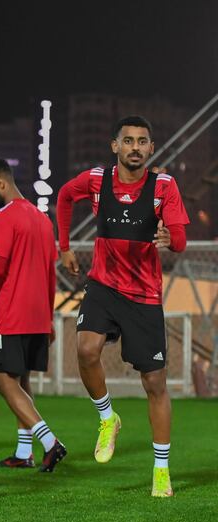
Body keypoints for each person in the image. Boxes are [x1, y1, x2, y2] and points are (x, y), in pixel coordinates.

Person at [57, 115, 189, 498]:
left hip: (144, 295)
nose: (135, 147)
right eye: (127, 140)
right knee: (85, 349)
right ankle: (107, 417)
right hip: (103, 285)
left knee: (154, 383)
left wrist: (170, 237)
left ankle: (161, 469)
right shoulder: (97, 180)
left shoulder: (164, 185)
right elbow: (65, 196)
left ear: (151, 148)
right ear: (115, 145)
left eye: (142, 141)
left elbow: (180, 238)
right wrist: (64, 246)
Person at [0, 159, 67, 473]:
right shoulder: (43, 219)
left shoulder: (4, 216)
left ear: (1, 184)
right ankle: (24, 452)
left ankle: (50, 442)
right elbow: (50, 275)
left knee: (4, 381)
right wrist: (49, 317)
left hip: (11, 313)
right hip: (38, 314)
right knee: (22, 380)